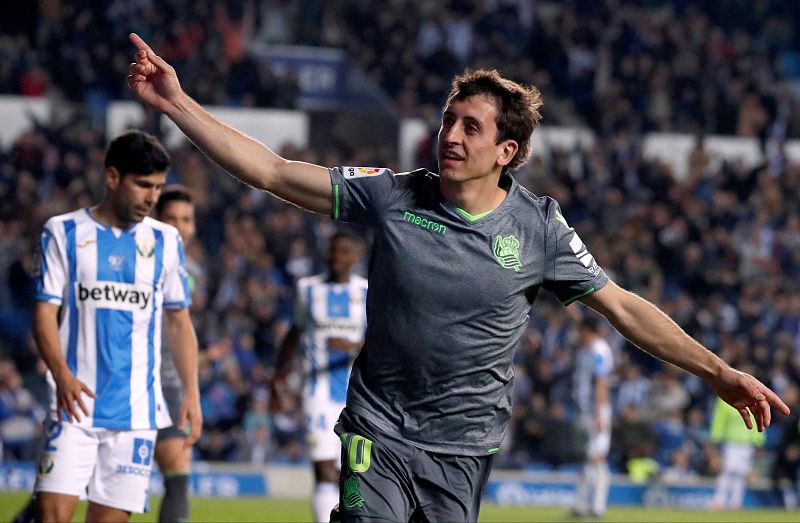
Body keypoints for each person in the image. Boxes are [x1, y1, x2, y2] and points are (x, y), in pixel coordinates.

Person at [127, 34, 789, 521]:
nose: (451, 134)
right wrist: (178, 104)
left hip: (463, 451)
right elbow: (273, 172)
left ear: (506, 151)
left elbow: (623, 308)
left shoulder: (540, 228)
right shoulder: (393, 194)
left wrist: (717, 371)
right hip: (377, 432)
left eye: (471, 127)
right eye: (449, 119)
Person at [30, 130, 202, 523]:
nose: (152, 197)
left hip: (136, 415)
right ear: (112, 177)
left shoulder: (166, 241)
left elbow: (179, 322)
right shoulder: (63, 231)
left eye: (157, 187)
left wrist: (191, 393)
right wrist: (61, 374)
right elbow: (44, 312)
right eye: (142, 185)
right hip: (73, 405)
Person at [272, 230, 368, 521]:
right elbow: (293, 334)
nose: (337, 257)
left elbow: (383, 341)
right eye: (333, 250)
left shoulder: (366, 292)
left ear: (355, 257)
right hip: (317, 392)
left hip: (358, 396)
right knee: (323, 467)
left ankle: (353, 509)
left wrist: (352, 345)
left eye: (344, 251)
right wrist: (277, 377)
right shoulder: (309, 290)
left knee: (352, 469)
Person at [153, 186, 203, 523]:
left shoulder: (194, 272)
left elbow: (183, 327)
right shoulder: (135, 256)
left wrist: (190, 388)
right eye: (170, 219)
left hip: (170, 384)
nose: (178, 227)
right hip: (127, 378)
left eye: (186, 220)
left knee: (178, 473)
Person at [571, 315, 614, 518]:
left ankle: (598, 506)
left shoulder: (599, 351)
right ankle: (580, 505)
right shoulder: (584, 351)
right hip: (585, 410)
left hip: (596, 410)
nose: (577, 335)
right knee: (586, 457)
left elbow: (601, 381)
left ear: (586, 331)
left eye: (579, 331)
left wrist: (599, 413)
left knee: (597, 457)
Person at [710, 391, 766, 510]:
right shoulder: (725, 397)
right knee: (727, 471)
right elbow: (719, 419)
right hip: (731, 442)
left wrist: (758, 442)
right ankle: (719, 501)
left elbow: (758, 419)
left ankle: (736, 502)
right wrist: (716, 439)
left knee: (741, 474)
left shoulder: (754, 397)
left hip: (747, 444)